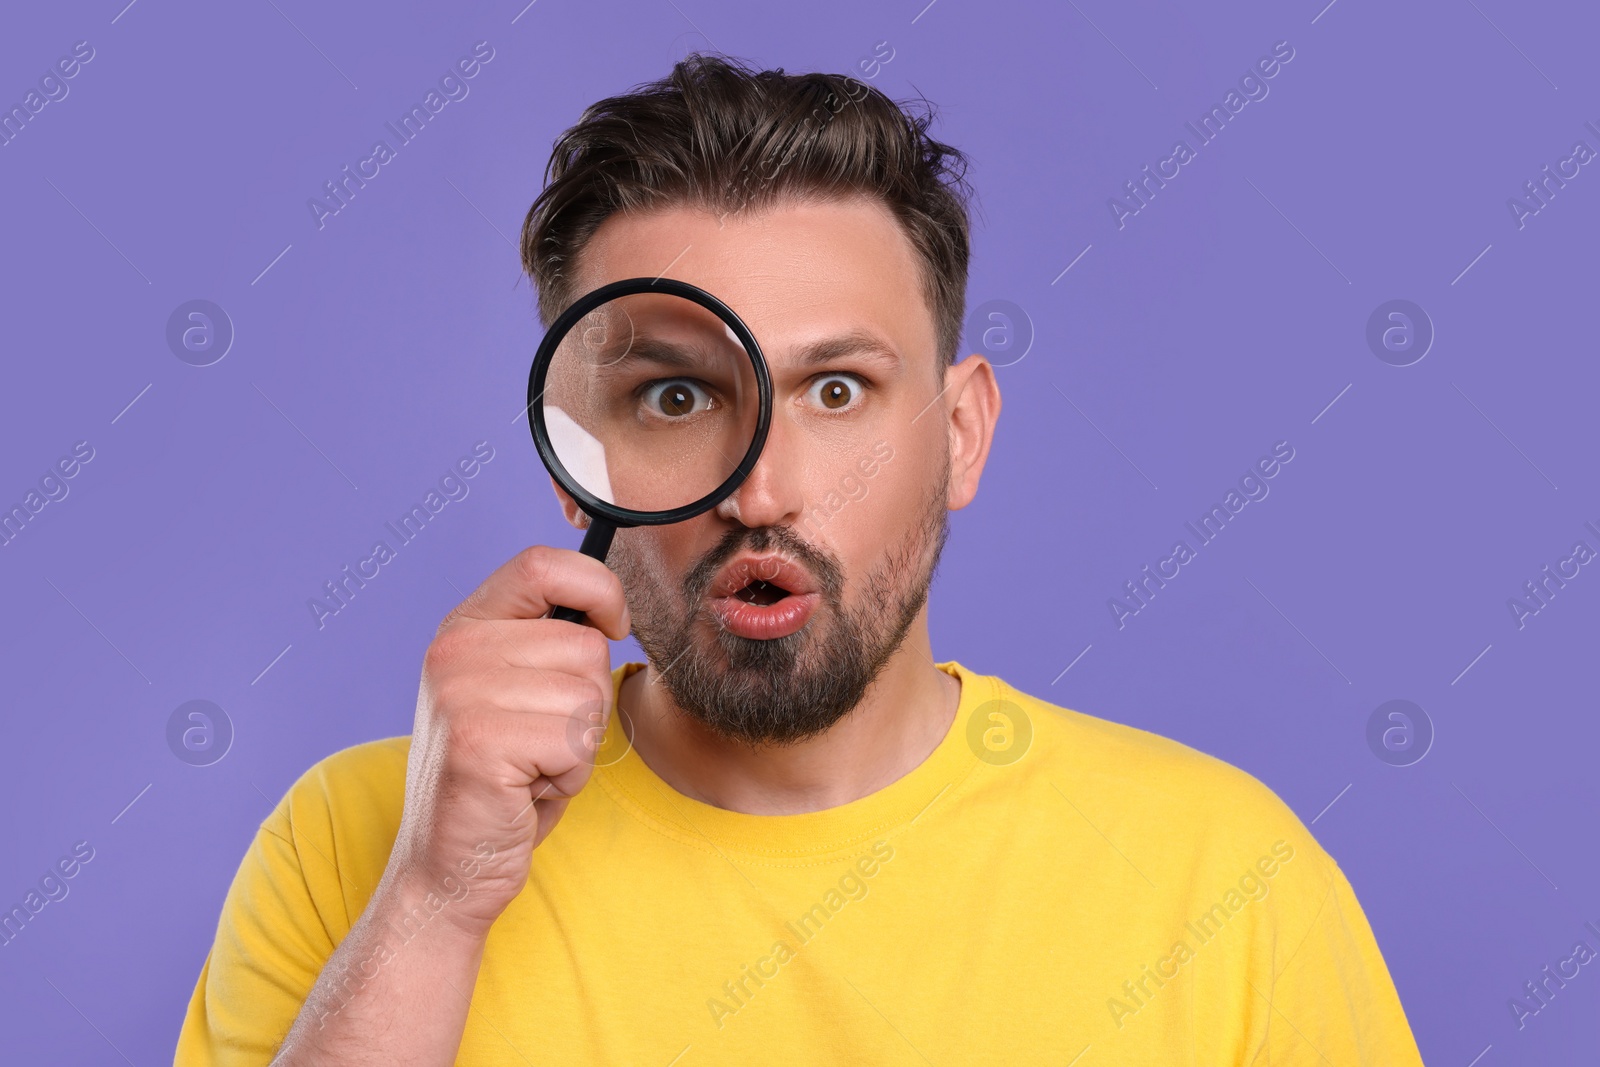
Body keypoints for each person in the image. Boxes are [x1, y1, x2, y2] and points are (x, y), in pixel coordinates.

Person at [175, 54, 1426, 1065]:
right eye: (673, 396)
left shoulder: (1220, 875)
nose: (760, 491)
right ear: (573, 464)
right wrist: (439, 903)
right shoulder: (357, 843)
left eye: (835, 387)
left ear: (959, 433)